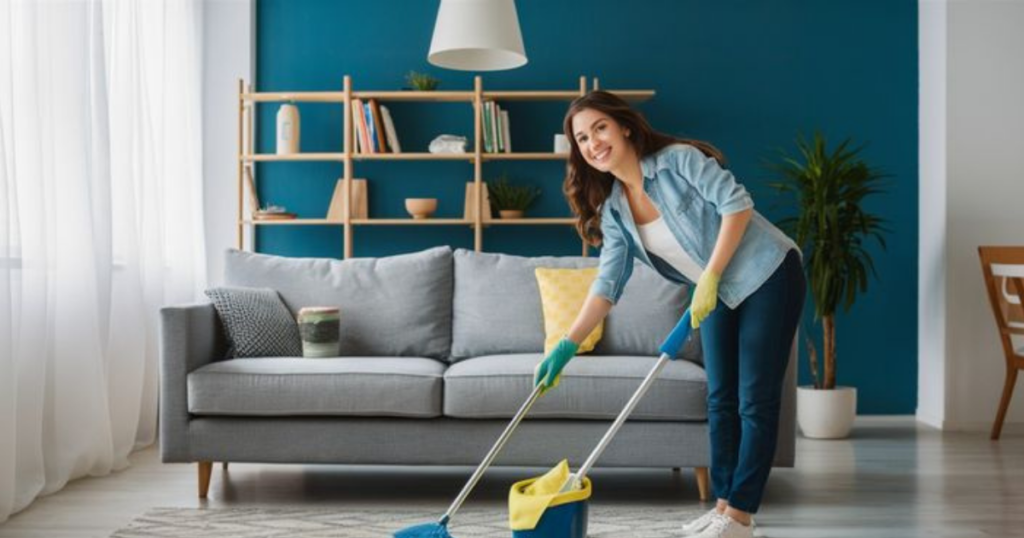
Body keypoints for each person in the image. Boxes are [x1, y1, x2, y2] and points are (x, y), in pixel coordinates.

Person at [533, 91, 805, 538]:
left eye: (599, 127)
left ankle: (740, 515)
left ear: (623, 126)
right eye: (582, 138)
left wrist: (711, 276)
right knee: (720, 400)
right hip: (712, 292)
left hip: (767, 274)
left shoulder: (678, 161)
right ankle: (722, 507)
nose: (593, 142)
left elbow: (737, 205)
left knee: (754, 399)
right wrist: (568, 344)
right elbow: (607, 286)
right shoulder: (615, 209)